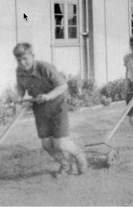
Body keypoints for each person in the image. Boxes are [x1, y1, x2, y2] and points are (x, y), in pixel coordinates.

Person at [13, 42, 88, 178]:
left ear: (33, 56)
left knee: (61, 143)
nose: (23, 63)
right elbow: (20, 88)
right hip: (40, 108)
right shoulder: (19, 72)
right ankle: (65, 165)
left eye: (25, 58)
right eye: (19, 60)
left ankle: (79, 154)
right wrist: (18, 97)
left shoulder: (44, 68)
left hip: (57, 106)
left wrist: (48, 96)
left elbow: (63, 86)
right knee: (47, 145)